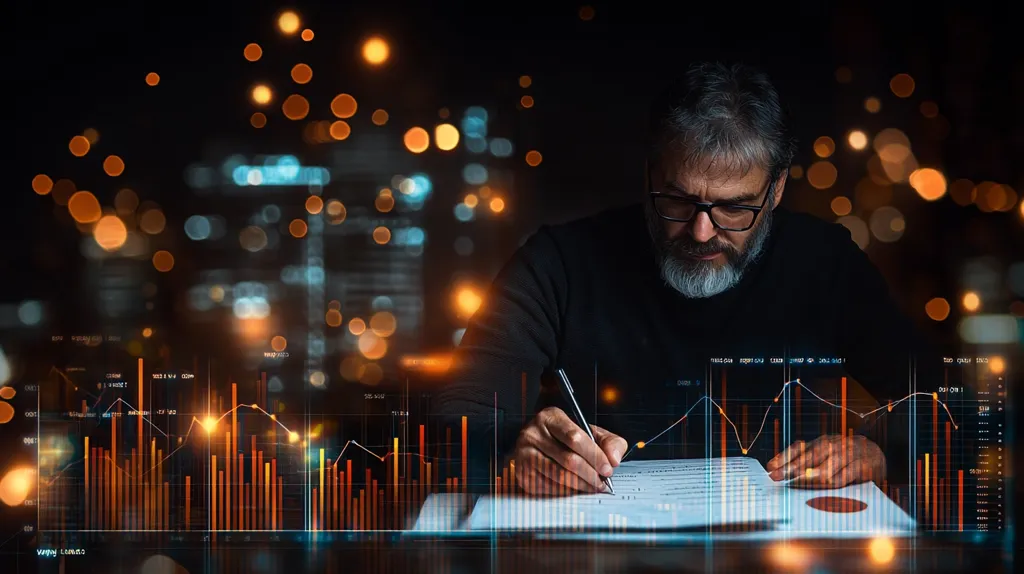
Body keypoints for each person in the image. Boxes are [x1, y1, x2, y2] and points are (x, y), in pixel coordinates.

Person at [433, 61, 931, 496]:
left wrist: (882, 452)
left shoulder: (825, 263)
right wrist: (512, 452)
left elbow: (949, 405)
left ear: (776, 188)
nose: (701, 231)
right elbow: (454, 418)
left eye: (734, 208)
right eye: (678, 199)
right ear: (649, 174)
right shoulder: (556, 265)